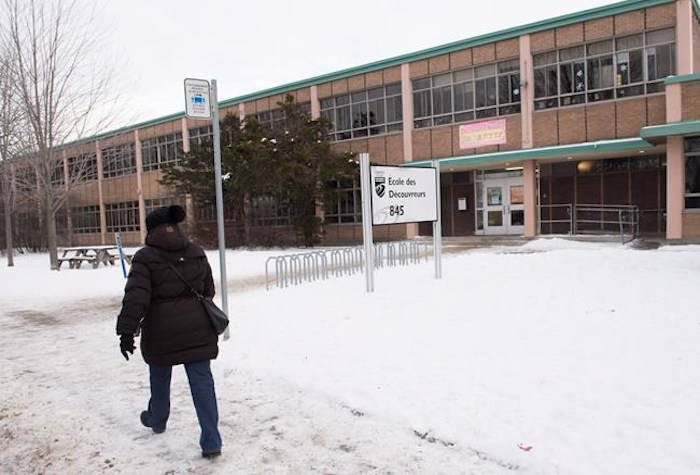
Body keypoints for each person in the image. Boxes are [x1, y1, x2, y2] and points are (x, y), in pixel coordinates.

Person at [116, 205, 223, 459]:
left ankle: (157, 419)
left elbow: (136, 298)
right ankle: (211, 441)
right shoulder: (196, 252)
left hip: (161, 332)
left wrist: (127, 332)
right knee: (202, 382)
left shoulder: (144, 257)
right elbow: (208, 290)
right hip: (198, 329)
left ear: (151, 230)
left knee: (160, 376)